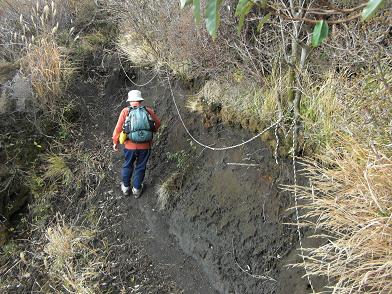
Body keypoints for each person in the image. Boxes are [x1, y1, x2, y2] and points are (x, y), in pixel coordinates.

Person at [112, 90, 161, 197]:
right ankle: (137, 189)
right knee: (140, 166)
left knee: (128, 165)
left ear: (130, 101)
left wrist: (115, 142)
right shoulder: (147, 110)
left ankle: (125, 188)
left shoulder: (125, 111)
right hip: (145, 146)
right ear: (140, 100)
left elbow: (118, 128)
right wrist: (148, 132)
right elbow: (157, 123)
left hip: (130, 146)